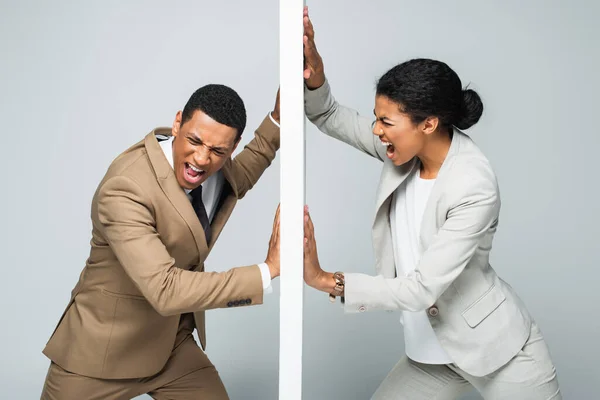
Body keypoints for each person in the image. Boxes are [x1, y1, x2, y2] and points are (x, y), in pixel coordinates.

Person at [301, 7, 561, 400]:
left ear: (428, 123)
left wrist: (326, 280)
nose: (376, 130)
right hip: (430, 357)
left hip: (501, 354)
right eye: (376, 118)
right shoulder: (403, 151)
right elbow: (327, 113)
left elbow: (422, 289)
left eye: (386, 121)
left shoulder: (473, 184)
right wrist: (315, 72)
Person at [41, 84, 281, 400]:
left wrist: (279, 118)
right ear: (178, 123)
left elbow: (242, 176)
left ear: (232, 148)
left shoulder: (215, 166)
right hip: (101, 354)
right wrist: (268, 270)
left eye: (218, 151)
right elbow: (165, 289)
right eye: (194, 141)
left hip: (170, 345)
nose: (201, 158)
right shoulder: (126, 187)